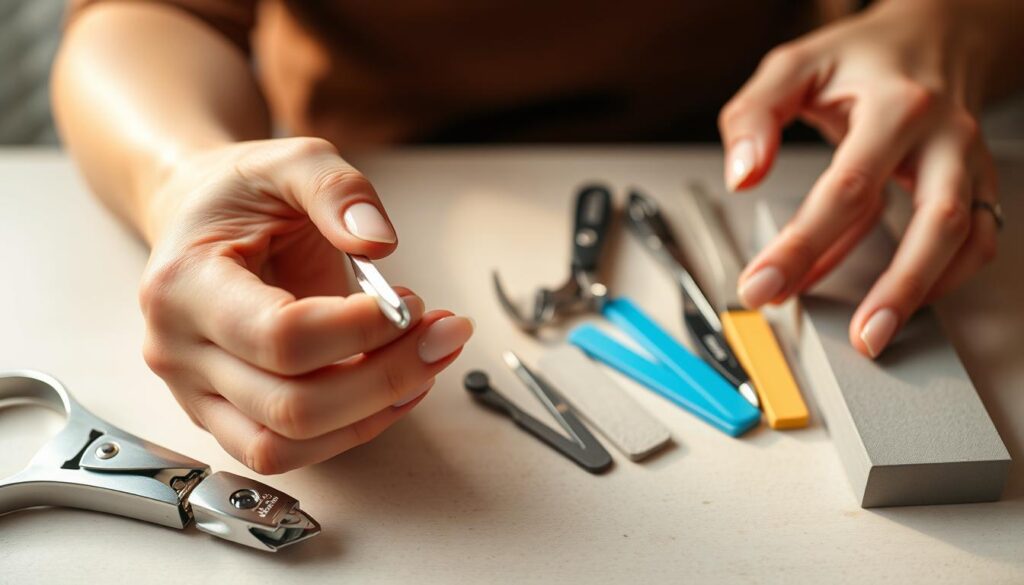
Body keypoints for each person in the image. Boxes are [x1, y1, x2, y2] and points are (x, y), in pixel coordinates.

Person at [51, 0, 1021, 474]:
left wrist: (941, 27)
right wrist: (180, 170)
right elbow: (140, 17)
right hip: (333, 182)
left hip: (755, 161)